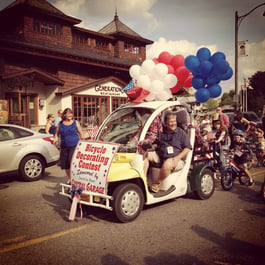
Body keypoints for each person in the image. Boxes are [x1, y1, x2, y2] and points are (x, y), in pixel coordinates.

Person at [150, 111, 192, 193]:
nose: (173, 123)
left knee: (168, 162)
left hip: (176, 159)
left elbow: (188, 148)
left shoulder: (181, 133)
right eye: (171, 121)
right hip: (162, 156)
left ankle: (157, 183)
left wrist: (177, 158)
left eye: (174, 121)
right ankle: (144, 179)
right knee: (146, 155)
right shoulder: (161, 132)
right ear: (166, 122)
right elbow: (154, 141)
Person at [54, 108, 84, 179]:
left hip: (74, 146)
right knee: (66, 165)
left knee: (72, 164)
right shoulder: (60, 123)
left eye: (71, 113)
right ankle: (70, 179)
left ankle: (76, 179)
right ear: (64, 115)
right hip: (64, 147)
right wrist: (56, 141)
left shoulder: (75, 122)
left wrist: (84, 143)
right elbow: (56, 134)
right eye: (68, 113)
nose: (70, 114)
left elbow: (81, 133)